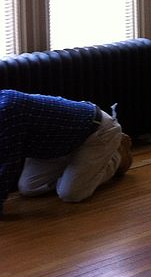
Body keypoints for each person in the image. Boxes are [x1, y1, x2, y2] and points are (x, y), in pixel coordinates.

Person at [0, 89, 132, 215]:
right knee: (29, 188)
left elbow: (8, 163)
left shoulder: (7, 112)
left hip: (96, 131)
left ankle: (118, 155)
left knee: (71, 194)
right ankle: (78, 167)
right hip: (56, 143)